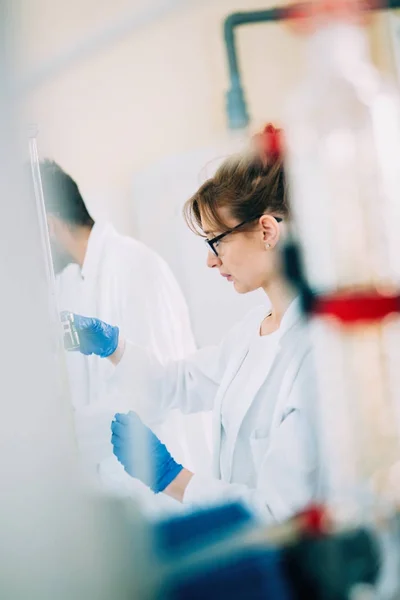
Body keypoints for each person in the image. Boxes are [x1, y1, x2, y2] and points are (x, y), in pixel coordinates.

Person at [71, 125, 323, 523]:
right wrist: (113, 347)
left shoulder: (315, 354)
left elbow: (279, 512)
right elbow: (178, 384)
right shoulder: (247, 336)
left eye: (216, 241)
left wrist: (173, 478)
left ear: (267, 231)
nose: (210, 260)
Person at [40, 160, 209, 503]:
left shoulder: (135, 268)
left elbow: (153, 394)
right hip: (116, 488)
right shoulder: (72, 281)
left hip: (164, 490)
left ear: (50, 226)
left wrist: (65, 440)